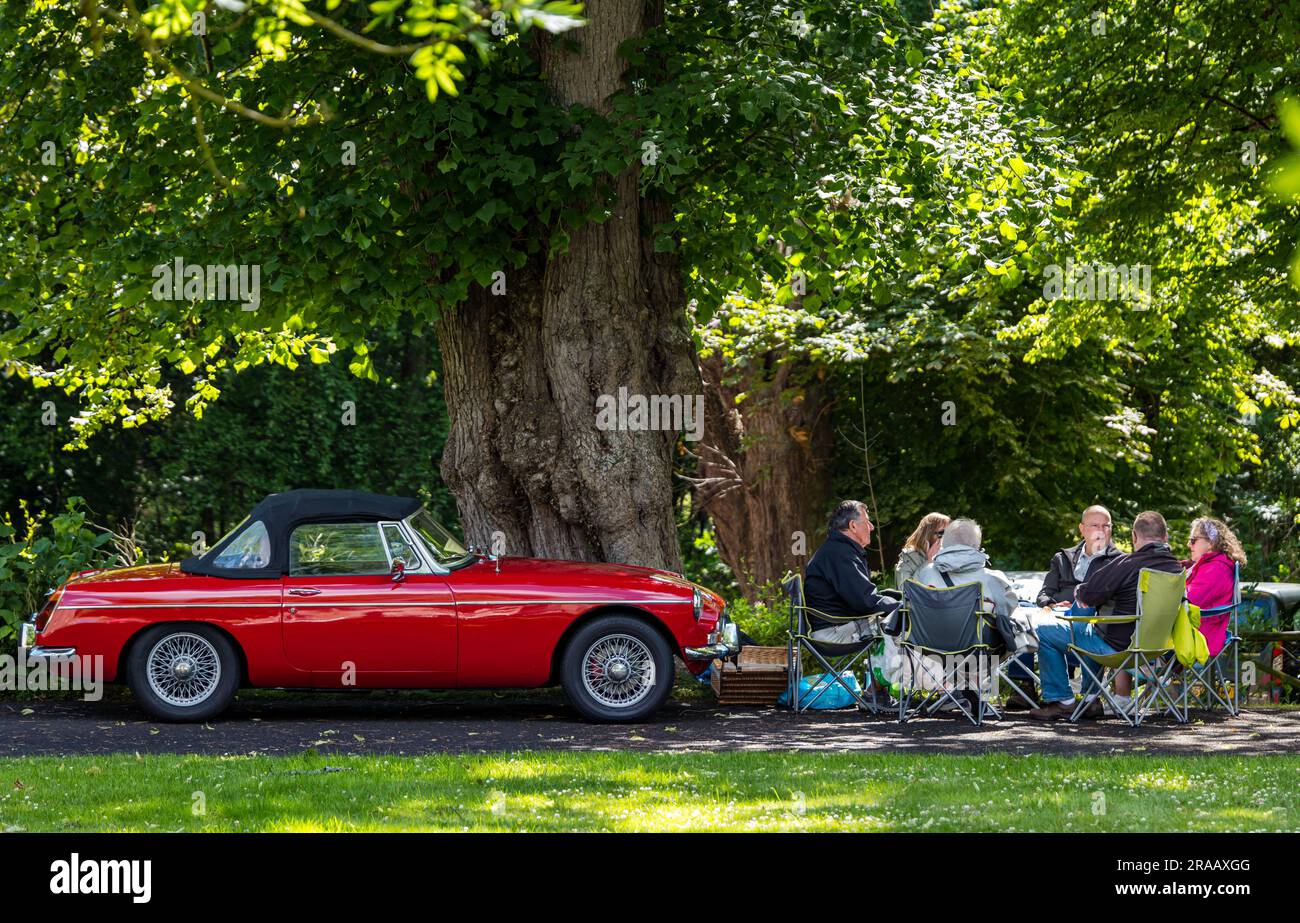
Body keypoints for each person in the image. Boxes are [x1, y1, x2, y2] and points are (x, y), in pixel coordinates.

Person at [1029, 511, 1182, 721]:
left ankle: (1062, 701)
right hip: (1157, 649)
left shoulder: (1129, 564)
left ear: (1134, 538)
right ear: (1165, 537)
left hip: (1118, 649)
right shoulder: (1176, 569)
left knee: (1046, 631)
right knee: (1092, 630)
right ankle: (1090, 699)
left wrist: (1078, 593)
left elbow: (1088, 593)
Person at [804, 500, 900, 644]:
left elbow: (863, 597)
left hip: (839, 626)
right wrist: (903, 608)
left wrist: (895, 600)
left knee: (899, 617)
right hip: (834, 632)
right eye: (867, 522)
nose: (872, 527)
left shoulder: (838, 550)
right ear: (853, 526)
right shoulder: (840, 554)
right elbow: (865, 601)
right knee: (904, 622)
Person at [1036, 505, 1122, 608]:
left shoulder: (1121, 562)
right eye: (1095, 525)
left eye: (1106, 526)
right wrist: (1053, 606)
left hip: (1095, 621)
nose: (1101, 531)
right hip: (1057, 618)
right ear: (1082, 528)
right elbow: (1044, 594)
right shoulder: (1062, 558)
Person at [1183, 517, 1246, 657]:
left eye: (1193, 540)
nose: (1189, 545)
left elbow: (1188, 599)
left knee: (1133, 638)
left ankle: (1151, 664)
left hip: (1200, 637)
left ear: (1210, 543)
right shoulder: (1210, 566)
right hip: (1194, 632)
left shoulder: (1216, 569)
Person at [895, 513, 950, 587]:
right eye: (942, 533)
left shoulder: (949, 554)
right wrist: (928, 562)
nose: (946, 537)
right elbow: (903, 589)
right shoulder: (909, 556)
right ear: (927, 534)